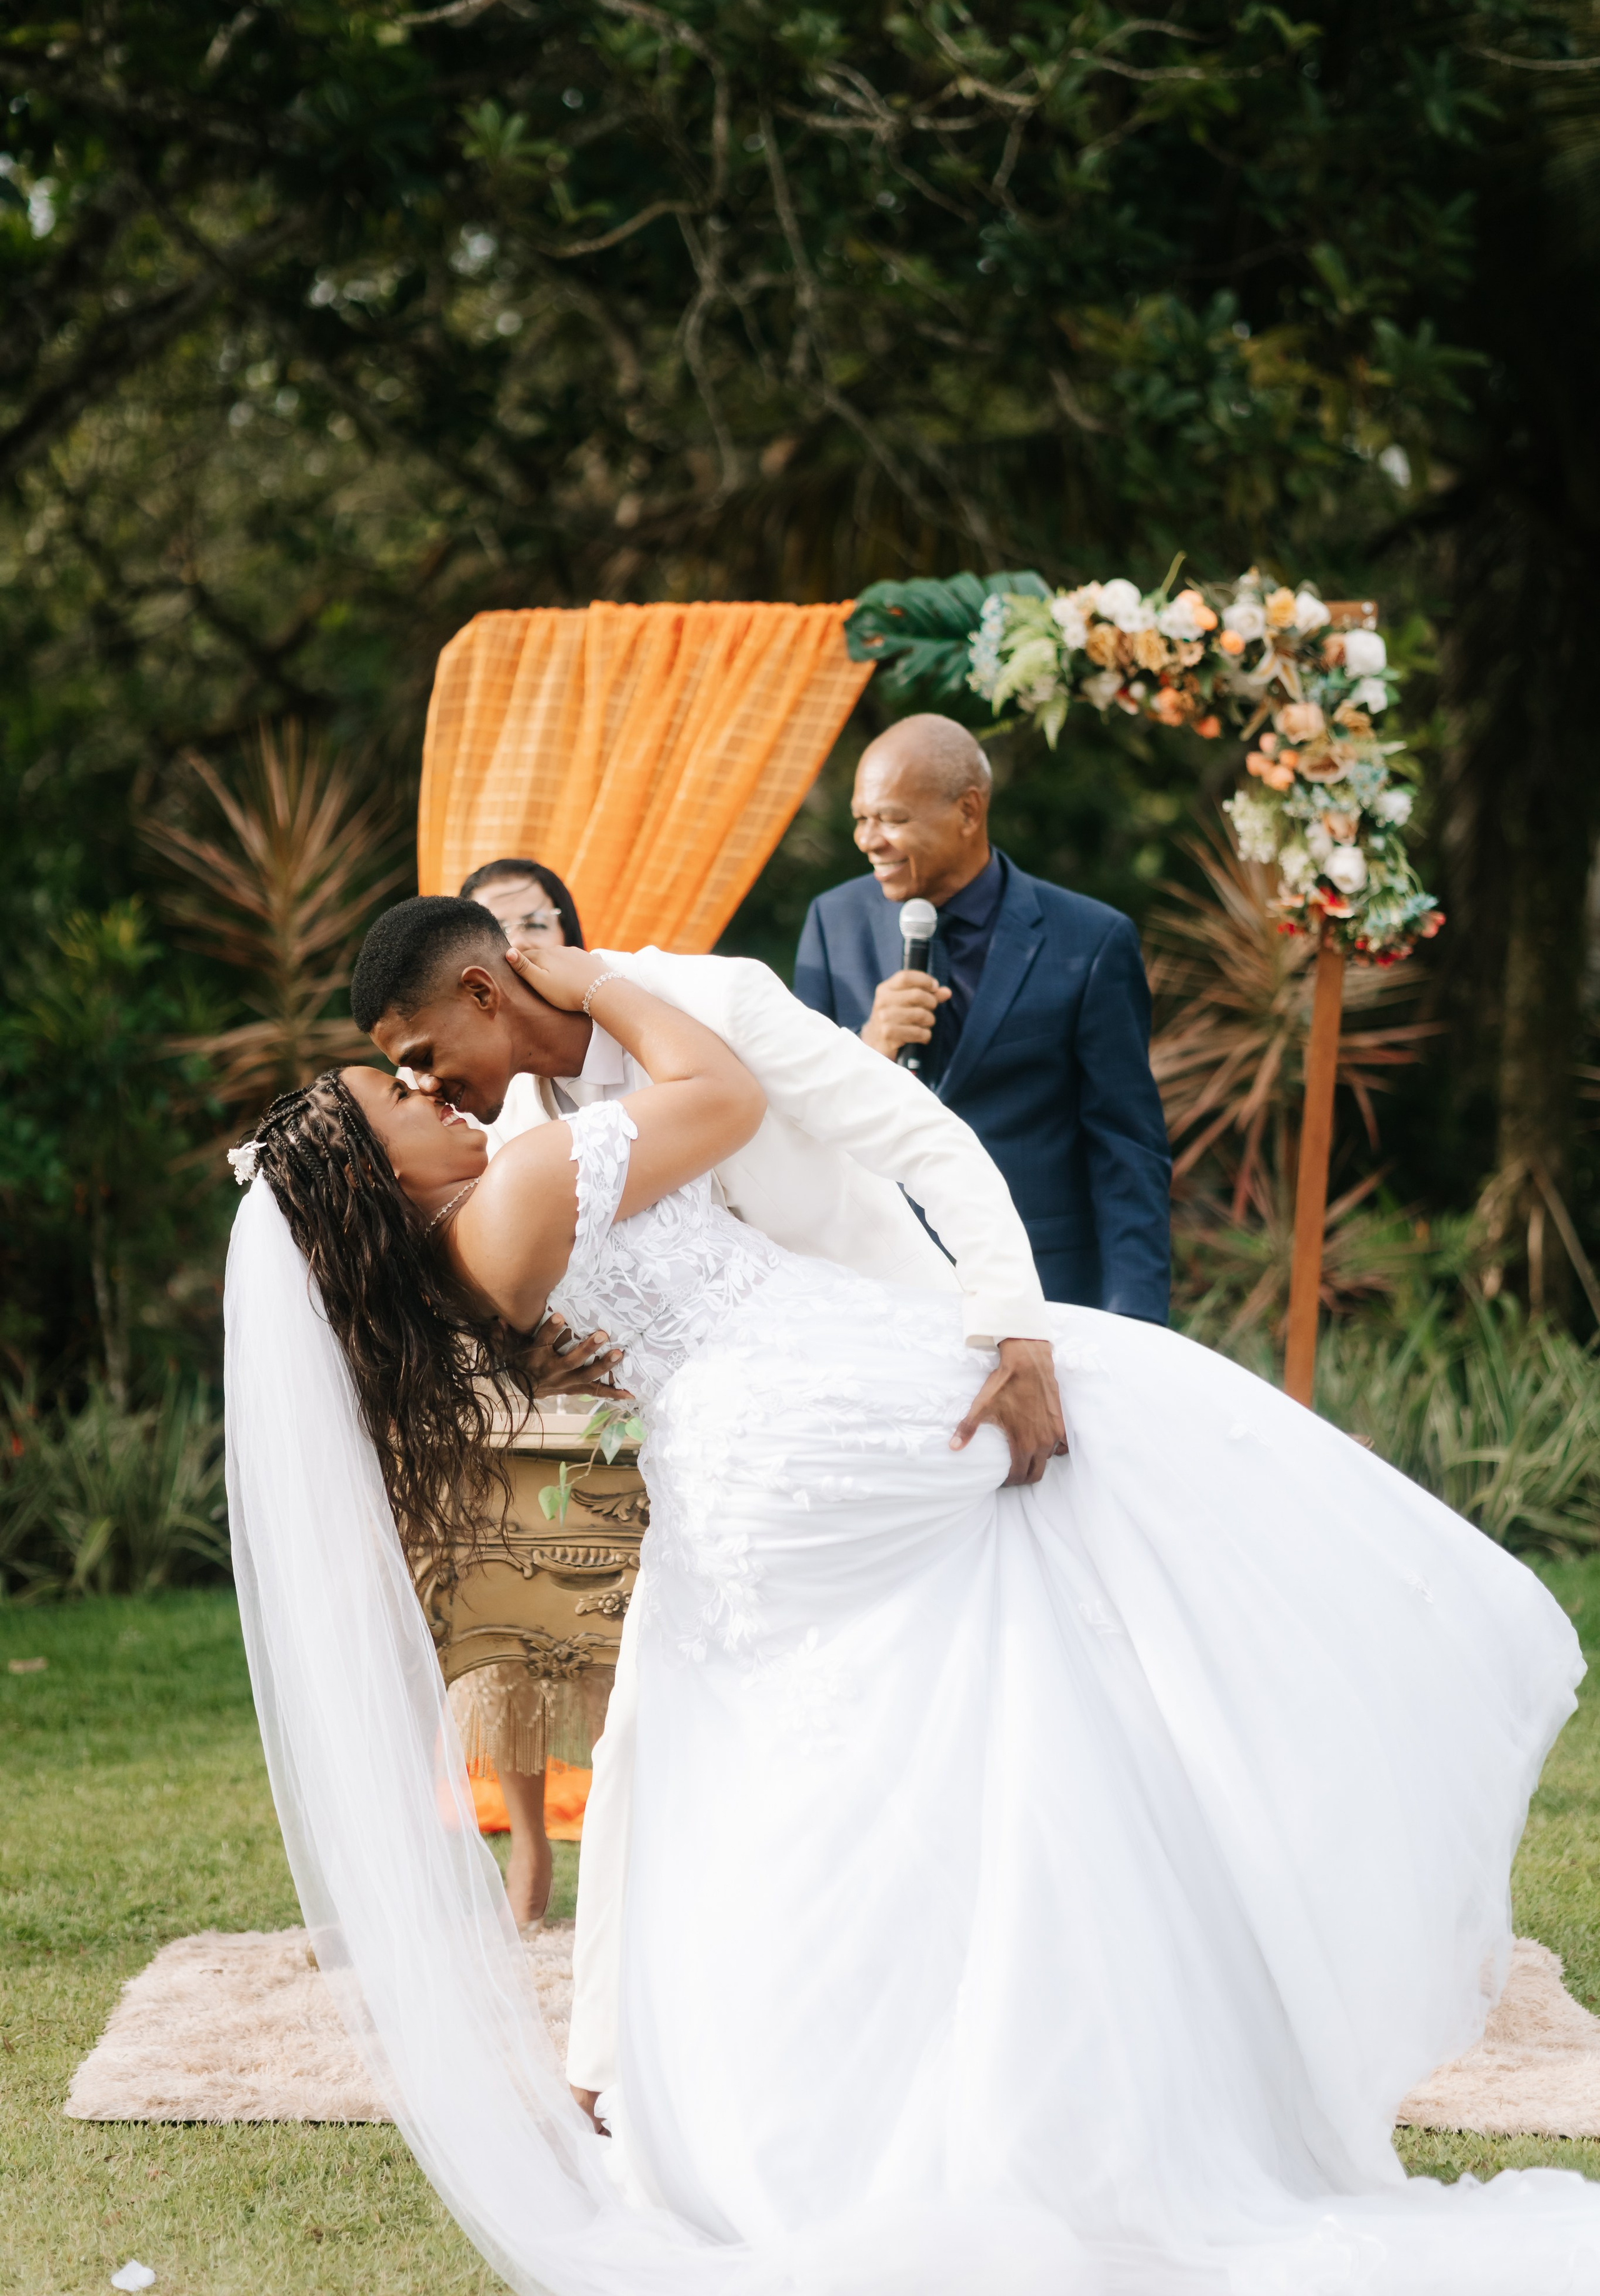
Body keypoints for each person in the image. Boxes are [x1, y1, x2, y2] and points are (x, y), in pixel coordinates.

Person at [224, 931, 1600, 2296]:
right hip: (806, 1413)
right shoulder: (524, 1166)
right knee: (1135, 1445)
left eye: (413, 1071)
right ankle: (1275, 1840)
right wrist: (599, 985)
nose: (428, 1097)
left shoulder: (462, 1262)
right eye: (397, 1101)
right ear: (370, 1177)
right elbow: (723, 1100)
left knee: (870, 1760)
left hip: (735, 1468)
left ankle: (865, 2125)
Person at [348, 892, 1067, 2114]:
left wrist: (1011, 1329)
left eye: (421, 1056)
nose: (428, 1090)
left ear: (482, 991)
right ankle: (623, 2064)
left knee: (947, 1696)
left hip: (897, 1373)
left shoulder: (712, 1000)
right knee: (671, 1729)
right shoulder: (510, 1131)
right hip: (740, 1453)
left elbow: (921, 1144)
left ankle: (954, 2004)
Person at [794, 714, 1171, 1322]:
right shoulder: (831, 922)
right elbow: (792, 1120)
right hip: (876, 1286)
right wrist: (866, 1046)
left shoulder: (1092, 940)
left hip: (1043, 1285)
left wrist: (1138, 1323)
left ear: (969, 812)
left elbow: (1126, 1150)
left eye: (891, 818)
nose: (868, 840)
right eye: (860, 818)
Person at [442, 856, 604, 1929]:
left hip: (621, 1367)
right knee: (515, 1628)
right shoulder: (462, 1097)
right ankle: (533, 1851)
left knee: (611, 1620)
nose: (516, 943)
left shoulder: (604, 1052)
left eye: (534, 921)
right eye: (493, 930)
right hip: (513, 1381)